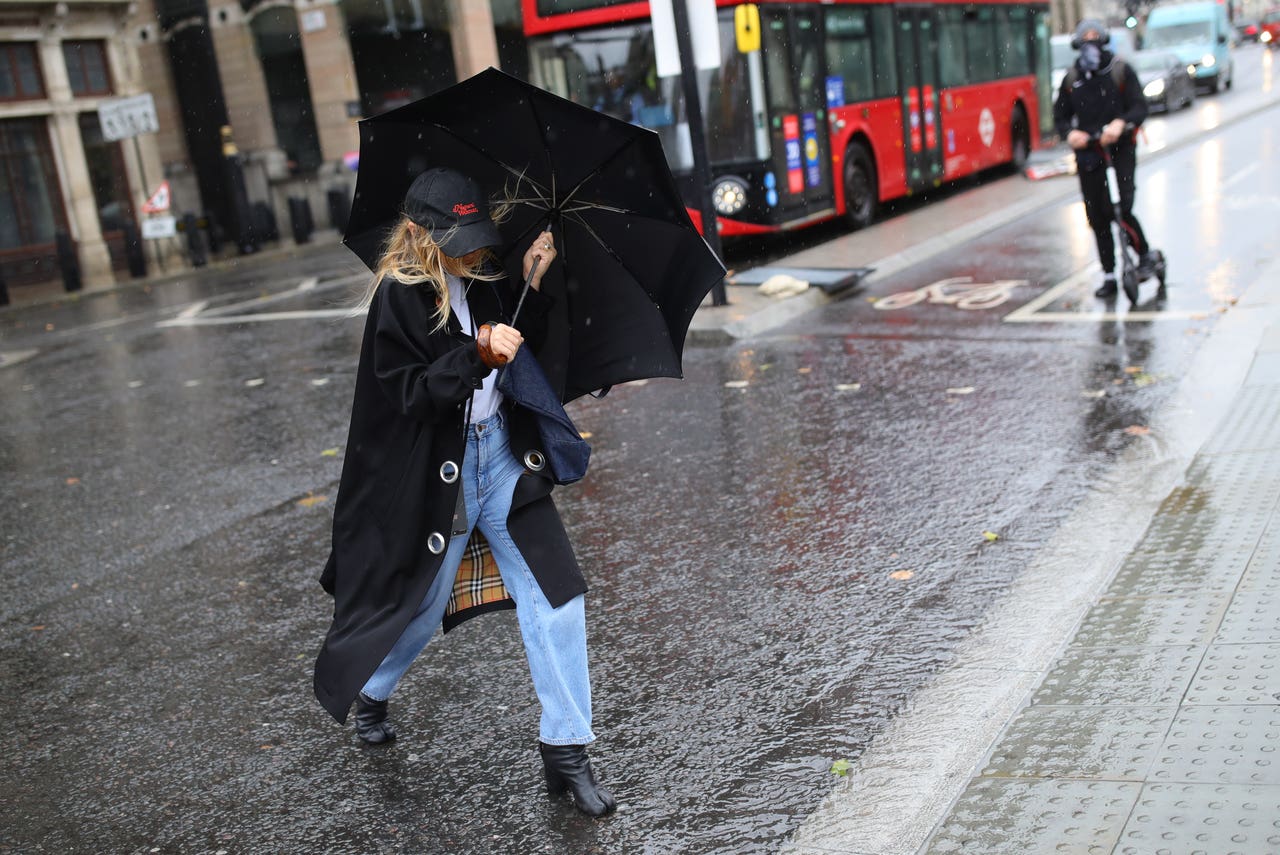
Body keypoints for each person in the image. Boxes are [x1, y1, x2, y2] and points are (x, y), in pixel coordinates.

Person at [312, 167, 616, 818]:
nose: (471, 248)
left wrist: (532, 277)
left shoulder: (483, 269)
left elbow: (516, 335)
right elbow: (411, 394)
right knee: (419, 608)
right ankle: (373, 689)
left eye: (476, 233)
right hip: (436, 480)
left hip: (503, 457)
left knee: (557, 599)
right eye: (456, 236)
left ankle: (566, 751)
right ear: (419, 232)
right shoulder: (399, 294)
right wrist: (476, 352)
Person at [1054, 18, 1156, 302]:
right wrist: (1069, 133)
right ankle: (1109, 273)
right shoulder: (1073, 78)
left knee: (1122, 207)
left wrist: (1121, 123)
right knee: (1097, 214)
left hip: (1119, 148)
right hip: (1088, 153)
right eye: (1084, 38)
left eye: (1094, 37)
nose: (1090, 43)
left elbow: (1139, 106)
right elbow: (1060, 115)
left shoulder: (1120, 69)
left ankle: (1145, 254)